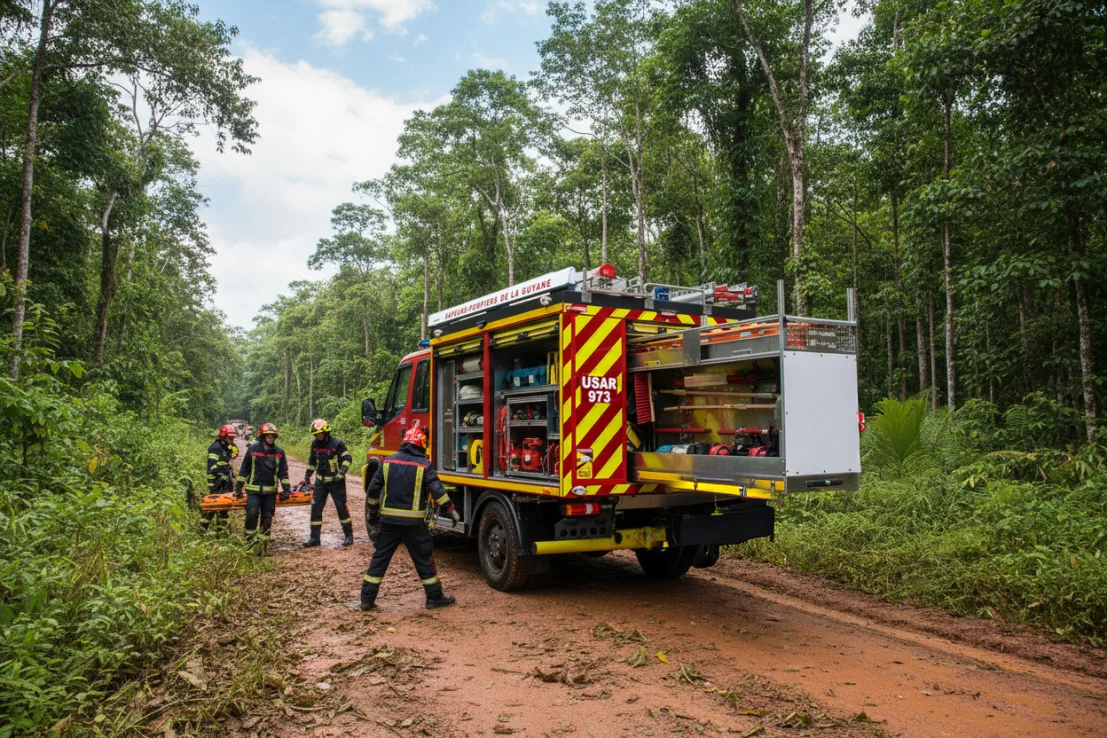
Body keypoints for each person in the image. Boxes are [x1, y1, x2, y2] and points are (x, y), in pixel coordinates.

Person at [361, 423, 460, 611]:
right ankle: (434, 598)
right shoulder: (424, 465)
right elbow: (437, 490)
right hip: (414, 525)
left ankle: (366, 599)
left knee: (379, 559)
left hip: (388, 523)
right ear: (421, 445)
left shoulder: (388, 462)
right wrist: (451, 510)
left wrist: (373, 513)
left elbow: (373, 489)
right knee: (423, 559)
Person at [235, 422, 291, 553]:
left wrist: (286, 490)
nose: (271, 438)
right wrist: (238, 487)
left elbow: (283, 473)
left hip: (270, 492)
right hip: (253, 491)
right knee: (252, 514)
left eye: (273, 436)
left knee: (267, 519)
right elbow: (244, 469)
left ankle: (262, 548)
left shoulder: (279, 452)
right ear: (263, 436)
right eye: (268, 436)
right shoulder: (253, 450)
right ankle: (248, 545)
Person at [301, 418, 355, 548]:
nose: (317, 436)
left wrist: (341, 472)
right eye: (315, 434)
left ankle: (348, 536)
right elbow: (312, 462)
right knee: (316, 508)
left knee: (341, 507)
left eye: (319, 433)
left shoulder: (337, 444)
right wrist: (307, 476)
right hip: (321, 482)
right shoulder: (315, 444)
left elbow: (347, 459)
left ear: (326, 432)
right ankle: (314, 539)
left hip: (336, 482)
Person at [203, 424, 239, 529]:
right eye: (230, 438)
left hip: (225, 481)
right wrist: (223, 472)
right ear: (223, 437)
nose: (232, 440)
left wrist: (232, 446)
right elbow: (213, 467)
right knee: (214, 505)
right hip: (216, 482)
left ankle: (221, 530)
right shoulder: (215, 448)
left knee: (224, 506)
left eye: (233, 438)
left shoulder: (226, 447)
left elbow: (234, 455)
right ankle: (202, 528)